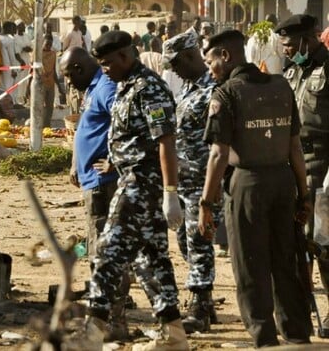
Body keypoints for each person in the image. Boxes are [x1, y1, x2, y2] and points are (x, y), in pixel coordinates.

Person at [199, 29, 312, 347]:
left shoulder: (225, 94)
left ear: (225, 56)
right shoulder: (282, 85)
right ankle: (297, 331)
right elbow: (295, 148)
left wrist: (206, 204)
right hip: (283, 182)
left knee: (250, 263)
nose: (210, 70)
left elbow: (219, 154)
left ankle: (263, 334)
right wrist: (303, 195)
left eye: (211, 62)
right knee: (285, 259)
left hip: (247, 184)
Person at [86, 31, 188, 350]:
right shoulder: (127, 86)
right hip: (134, 177)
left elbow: (166, 142)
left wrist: (170, 192)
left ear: (125, 57)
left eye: (107, 64)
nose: (104, 70)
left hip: (142, 182)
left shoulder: (148, 88)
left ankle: (93, 328)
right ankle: (173, 333)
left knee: (107, 249)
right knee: (152, 257)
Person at [61, 46, 132, 339]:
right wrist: (77, 161)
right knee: (96, 249)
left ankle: (113, 322)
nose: (67, 83)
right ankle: (106, 317)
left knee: (105, 252)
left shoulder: (105, 87)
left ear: (78, 68)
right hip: (92, 179)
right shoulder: (93, 88)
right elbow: (90, 129)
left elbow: (126, 123)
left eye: (67, 76)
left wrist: (114, 160)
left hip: (105, 184)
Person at [162, 29, 218, 333]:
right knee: (186, 243)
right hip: (184, 182)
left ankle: (199, 305)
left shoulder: (214, 90)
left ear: (187, 56)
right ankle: (205, 298)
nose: (174, 71)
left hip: (203, 182)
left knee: (199, 243)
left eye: (176, 64)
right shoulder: (188, 89)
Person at [276, 14, 329, 331]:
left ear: (308, 40)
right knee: (298, 243)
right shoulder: (292, 70)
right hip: (293, 166)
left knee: (324, 245)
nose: (286, 50)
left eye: (291, 45)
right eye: (283, 46)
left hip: (324, 166)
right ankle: (303, 312)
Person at [40, 35, 58, 127]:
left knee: (49, 106)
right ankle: (41, 125)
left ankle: (47, 125)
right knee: (41, 106)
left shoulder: (53, 54)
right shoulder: (38, 54)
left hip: (51, 83)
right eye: (47, 44)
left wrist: (59, 86)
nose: (48, 47)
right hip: (41, 83)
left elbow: (54, 70)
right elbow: (32, 70)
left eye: (50, 45)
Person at [14, 20, 32, 103]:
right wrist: (23, 49)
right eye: (22, 25)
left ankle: (23, 97)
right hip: (19, 62)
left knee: (25, 80)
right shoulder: (15, 37)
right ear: (17, 27)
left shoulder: (27, 36)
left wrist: (28, 49)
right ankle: (18, 99)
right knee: (19, 80)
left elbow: (31, 46)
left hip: (27, 60)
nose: (24, 27)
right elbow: (16, 51)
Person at [0, 21, 17, 90]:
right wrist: (14, 70)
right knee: (7, 87)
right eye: (11, 28)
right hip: (6, 66)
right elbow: (12, 57)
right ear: (7, 28)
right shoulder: (9, 40)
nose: (12, 30)